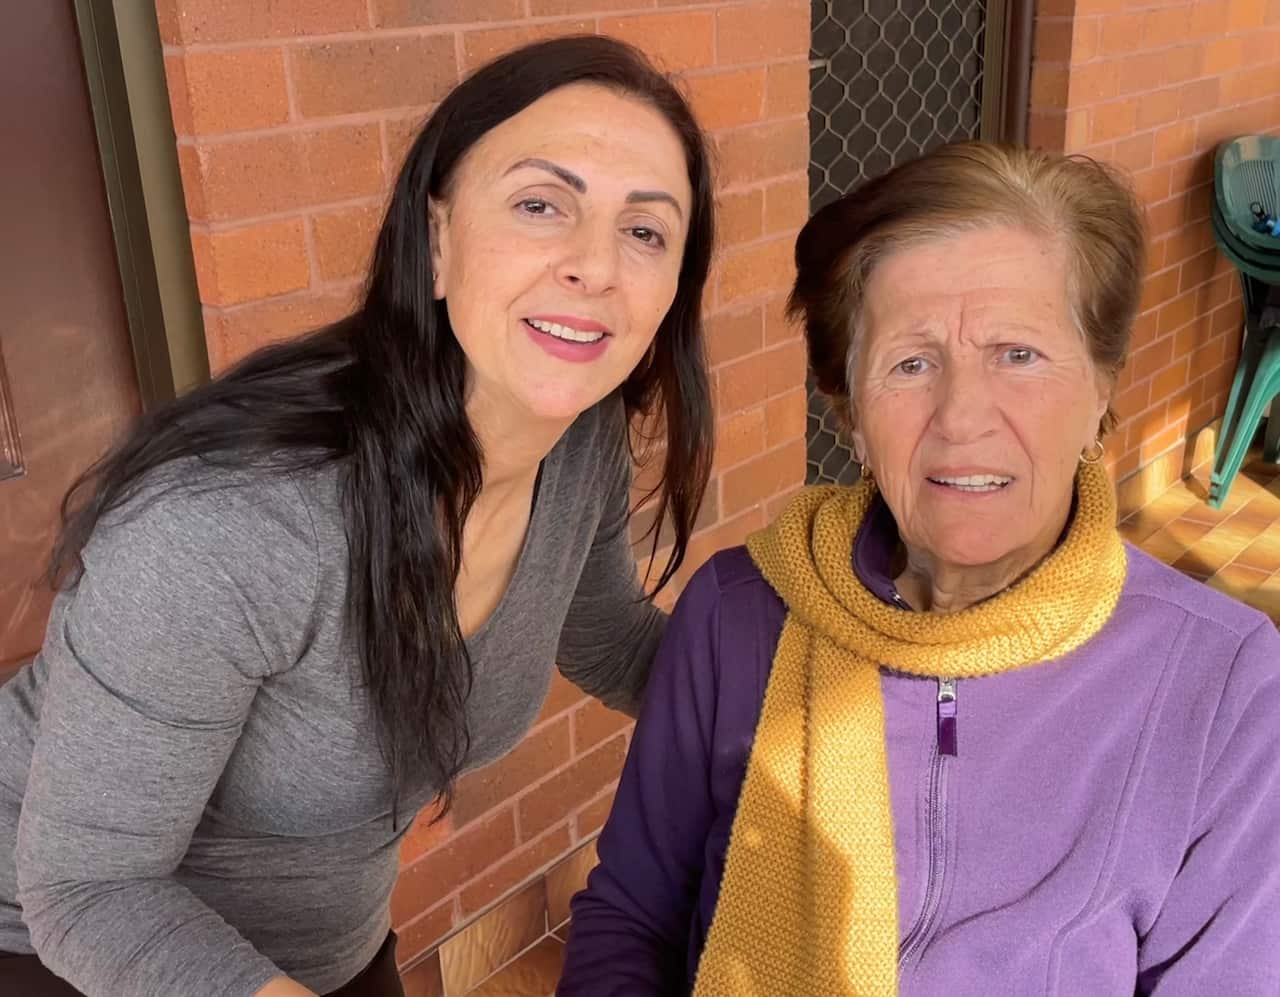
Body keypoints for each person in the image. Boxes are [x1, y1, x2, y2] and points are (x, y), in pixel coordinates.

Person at [0, 34, 716, 997]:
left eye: (645, 230)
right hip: (55, 941)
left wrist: (818, 696)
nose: (596, 265)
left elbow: (610, 640)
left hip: (324, 946)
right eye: (542, 204)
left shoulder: (580, 449)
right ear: (436, 242)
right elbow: (90, 889)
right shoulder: (231, 526)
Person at [559, 142, 1280, 996]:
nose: (962, 416)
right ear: (850, 413)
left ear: (1100, 391)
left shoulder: (1226, 686)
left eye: (1017, 353)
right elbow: (632, 918)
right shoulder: (734, 613)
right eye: (910, 362)